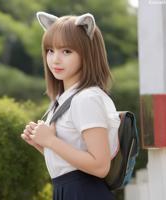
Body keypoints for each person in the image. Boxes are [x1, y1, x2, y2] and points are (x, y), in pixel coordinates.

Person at [20, 11, 121, 200]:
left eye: (66, 51)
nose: (55, 59)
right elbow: (71, 163)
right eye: (51, 50)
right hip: (68, 190)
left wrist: (51, 141)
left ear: (87, 52)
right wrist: (42, 144)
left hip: (84, 192)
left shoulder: (87, 99)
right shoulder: (66, 98)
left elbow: (100, 166)